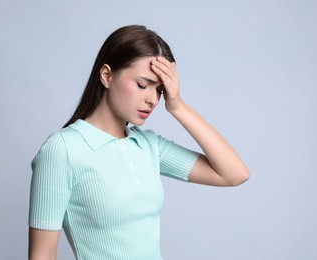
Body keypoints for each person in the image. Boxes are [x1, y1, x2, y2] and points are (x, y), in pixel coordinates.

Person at [28, 25, 249, 260]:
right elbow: (42, 254)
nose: (152, 99)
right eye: (143, 85)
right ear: (107, 76)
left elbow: (233, 174)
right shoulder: (63, 150)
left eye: (160, 90)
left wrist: (178, 106)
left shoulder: (148, 146)